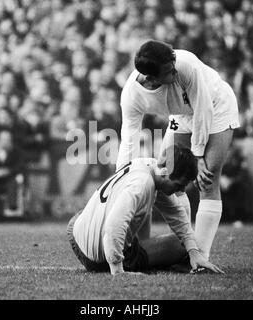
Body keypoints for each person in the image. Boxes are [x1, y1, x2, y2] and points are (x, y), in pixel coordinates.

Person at [116, 40, 240, 260]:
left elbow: (203, 109)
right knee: (170, 179)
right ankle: (186, 252)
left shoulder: (186, 65)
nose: (175, 70)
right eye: (168, 71)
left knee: (207, 179)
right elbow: (129, 140)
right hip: (182, 115)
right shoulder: (131, 96)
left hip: (216, 106)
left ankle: (201, 256)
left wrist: (199, 155)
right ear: (151, 79)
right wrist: (122, 178)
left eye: (173, 65)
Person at [67, 145, 224, 275]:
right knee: (178, 245)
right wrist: (117, 269)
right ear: (165, 172)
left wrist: (194, 252)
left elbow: (176, 213)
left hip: (76, 228)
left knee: (187, 243)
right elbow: (114, 226)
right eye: (179, 184)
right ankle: (125, 259)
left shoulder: (148, 166)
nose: (181, 189)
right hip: (97, 257)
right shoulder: (142, 184)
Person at [0, 130, 24, 217]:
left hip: (10, 177)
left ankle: (12, 208)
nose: (5, 141)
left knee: (13, 183)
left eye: (7, 139)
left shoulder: (16, 151)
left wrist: (9, 171)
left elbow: (19, 166)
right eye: (3, 139)